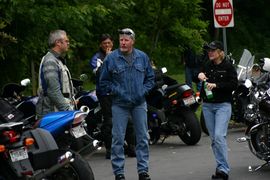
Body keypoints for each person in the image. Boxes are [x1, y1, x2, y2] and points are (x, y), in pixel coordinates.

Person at [99, 28, 155, 180]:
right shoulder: (111, 59)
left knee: (142, 137)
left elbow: (151, 79)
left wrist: (142, 91)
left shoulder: (142, 57)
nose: (123, 43)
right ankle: (119, 173)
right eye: (121, 40)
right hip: (119, 104)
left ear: (132, 41)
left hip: (139, 103)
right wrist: (117, 91)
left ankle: (143, 171)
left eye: (126, 40)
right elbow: (103, 82)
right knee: (118, 138)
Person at [89, 34, 136, 159]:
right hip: (105, 94)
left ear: (112, 43)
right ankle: (110, 149)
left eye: (109, 43)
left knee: (129, 120)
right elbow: (98, 74)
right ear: (101, 45)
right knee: (109, 121)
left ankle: (132, 147)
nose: (107, 45)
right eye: (104, 43)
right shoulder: (97, 58)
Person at [198, 40, 238, 180]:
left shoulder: (228, 66)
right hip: (208, 106)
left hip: (223, 106)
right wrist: (199, 76)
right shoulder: (207, 65)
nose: (210, 52)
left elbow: (234, 84)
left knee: (220, 137)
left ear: (220, 52)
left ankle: (223, 171)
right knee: (215, 139)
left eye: (213, 50)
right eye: (209, 50)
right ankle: (220, 166)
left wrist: (216, 85)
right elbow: (198, 75)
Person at [36, 29, 74, 117]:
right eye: (66, 41)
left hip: (57, 110)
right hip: (53, 112)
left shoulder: (57, 60)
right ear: (58, 42)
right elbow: (53, 91)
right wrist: (67, 110)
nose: (68, 43)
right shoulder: (50, 61)